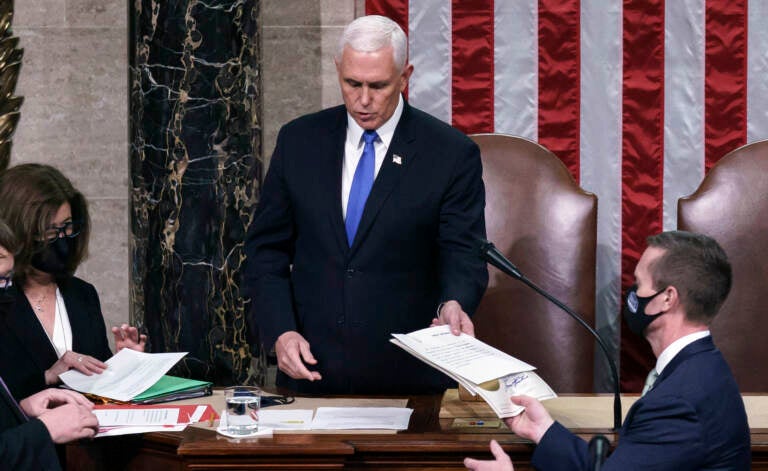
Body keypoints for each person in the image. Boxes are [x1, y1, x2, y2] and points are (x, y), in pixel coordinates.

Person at [244, 15, 488, 394]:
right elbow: (266, 250)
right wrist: (280, 330)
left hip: (409, 381)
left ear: (405, 77)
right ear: (339, 69)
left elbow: (463, 252)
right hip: (312, 373)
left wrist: (453, 303)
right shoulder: (299, 142)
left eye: (378, 86)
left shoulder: (450, 154)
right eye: (352, 83)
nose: (363, 100)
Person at [464, 231, 751, 470]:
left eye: (638, 285)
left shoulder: (677, 403)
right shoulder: (702, 368)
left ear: (667, 298)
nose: (632, 295)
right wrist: (544, 431)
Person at [0, 164, 147, 400]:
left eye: (67, 227)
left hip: (91, 431)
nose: (61, 240)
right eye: (49, 231)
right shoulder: (4, 301)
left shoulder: (82, 294)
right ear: (17, 230)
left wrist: (123, 364)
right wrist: (48, 375)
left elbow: (97, 380)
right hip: (28, 435)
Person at [0, 218, 99, 470]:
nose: (6, 296)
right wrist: (44, 430)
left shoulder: (81, 293)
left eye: (8, 281)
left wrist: (22, 409)